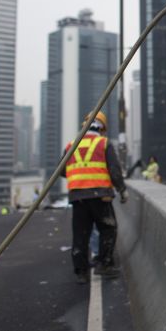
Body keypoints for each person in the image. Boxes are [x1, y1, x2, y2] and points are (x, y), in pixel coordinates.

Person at [60, 111, 127, 284]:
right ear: (102, 128)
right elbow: (114, 170)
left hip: (78, 197)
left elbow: (61, 171)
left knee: (80, 234)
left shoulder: (70, 145)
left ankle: (81, 272)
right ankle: (104, 265)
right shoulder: (103, 144)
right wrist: (122, 189)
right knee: (108, 228)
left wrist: (79, 175)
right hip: (100, 195)